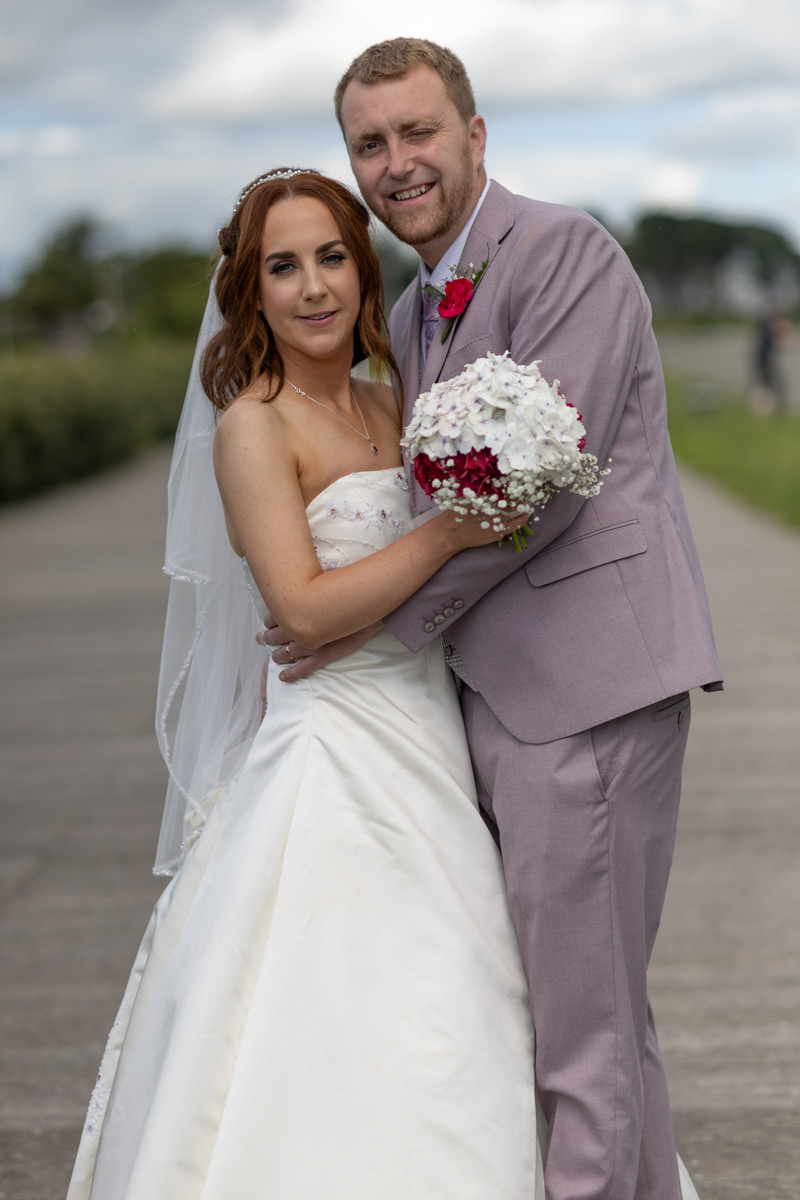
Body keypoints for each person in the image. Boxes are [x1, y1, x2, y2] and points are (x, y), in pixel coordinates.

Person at [261, 38, 721, 1200]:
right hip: (504, 700)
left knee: (581, 1043)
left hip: (583, 689)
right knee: (594, 1021)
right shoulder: (416, 307)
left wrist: (370, 628)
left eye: (417, 131)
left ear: (473, 135)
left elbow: (537, 492)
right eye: (370, 143)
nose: (396, 162)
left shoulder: (563, 252)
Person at [65, 168, 545, 1199]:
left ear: (363, 269)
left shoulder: (395, 402)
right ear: (251, 291)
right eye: (282, 267)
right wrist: (454, 530)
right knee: (331, 998)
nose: (314, 285)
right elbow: (303, 608)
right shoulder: (254, 423)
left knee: (465, 989)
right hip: (332, 749)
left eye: (331, 256)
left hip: (434, 737)